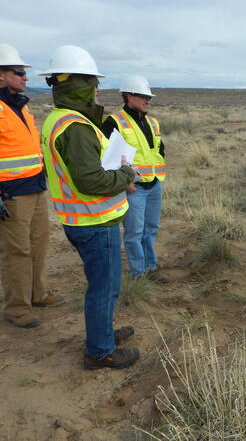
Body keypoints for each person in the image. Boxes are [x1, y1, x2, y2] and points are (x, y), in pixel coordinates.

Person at [39, 45, 139, 369]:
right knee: (103, 289)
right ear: (78, 85)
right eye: (93, 82)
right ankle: (100, 351)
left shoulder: (59, 119)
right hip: (95, 222)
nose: (98, 89)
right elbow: (90, 181)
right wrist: (125, 175)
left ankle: (103, 334)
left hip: (83, 221)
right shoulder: (76, 126)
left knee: (104, 286)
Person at [0, 43, 63, 329]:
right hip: (11, 194)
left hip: (36, 187)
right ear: (0, 75)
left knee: (39, 242)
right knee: (17, 251)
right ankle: (16, 307)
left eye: (24, 72)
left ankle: (38, 294)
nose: (25, 77)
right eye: (18, 72)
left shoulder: (21, 107)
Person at [102, 75, 168, 283]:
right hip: (134, 188)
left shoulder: (152, 122)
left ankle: (150, 267)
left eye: (149, 96)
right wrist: (124, 182)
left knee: (151, 229)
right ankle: (138, 273)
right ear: (129, 96)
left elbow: (159, 149)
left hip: (155, 184)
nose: (148, 100)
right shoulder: (115, 122)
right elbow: (106, 158)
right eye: (143, 96)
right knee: (134, 232)